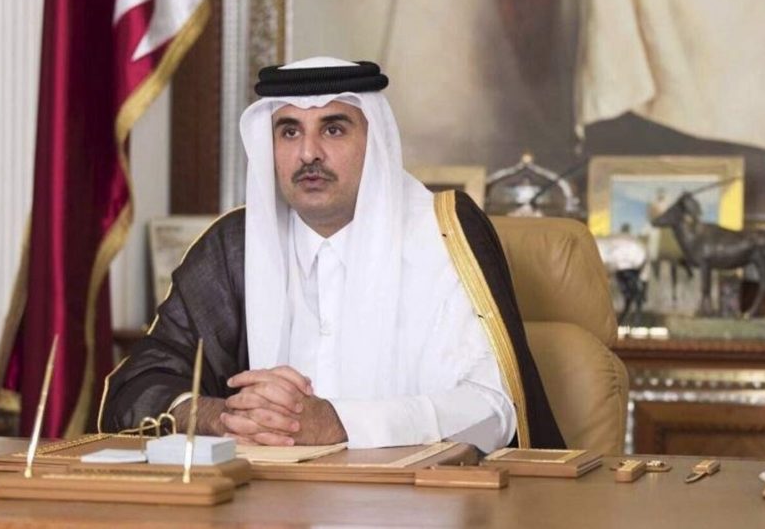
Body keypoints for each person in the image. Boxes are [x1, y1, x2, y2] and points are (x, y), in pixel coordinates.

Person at [99, 58, 564, 452]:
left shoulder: (445, 233)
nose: (308, 153)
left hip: (413, 506)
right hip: (266, 508)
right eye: (288, 132)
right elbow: (138, 386)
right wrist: (223, 418)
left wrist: (340, 423)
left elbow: (494, 408)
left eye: (334, 129)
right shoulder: (234, 245)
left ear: (375, 142)